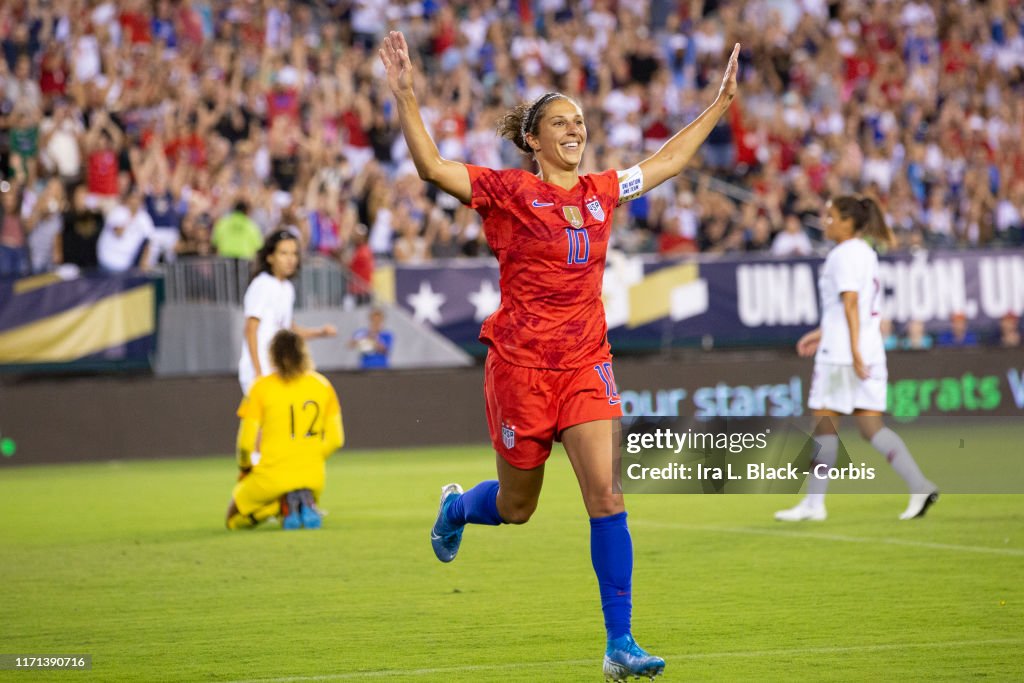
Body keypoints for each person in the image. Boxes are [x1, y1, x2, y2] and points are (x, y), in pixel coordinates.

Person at [380, 30, 740, 682]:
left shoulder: (603, 190)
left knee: (606, 494)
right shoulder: (511, 192)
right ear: (534, 140)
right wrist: (407, 96)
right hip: (519, 365)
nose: (574, 129)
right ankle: (459, 507)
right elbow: (433, 168)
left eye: (579, 121)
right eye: (560, 123)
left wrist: (717, 107)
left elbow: (666, 162)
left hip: (585, 361)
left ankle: (620, 643)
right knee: (518, 506)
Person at [775, 196, 938, 523]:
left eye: (832, 216)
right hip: (868, 348)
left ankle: (813, 504)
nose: (826, 222)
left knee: (823, 424)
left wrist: (851, 351)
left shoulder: (842, 255)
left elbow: (850, 304)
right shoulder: (866, 253)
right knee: (871, 427)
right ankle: (919, 485)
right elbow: (854, 309)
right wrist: (822, 332)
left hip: (842, 355)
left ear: (849, 222)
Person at [225, 329, 344, 530]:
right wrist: (310, 457)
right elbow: (336, 440)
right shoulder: (323, 385)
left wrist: (246, 468)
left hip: (272, 477)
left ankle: (279, 506)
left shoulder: (260, 388)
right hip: (313, 477)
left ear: (272, 355)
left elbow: (246, 444)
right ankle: (304, 501)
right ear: (304, 354)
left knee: (232, 521)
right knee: (300, 485)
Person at [239, 229, 337, 395]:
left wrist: (320, 332)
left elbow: (290, 330)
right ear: (270, 257)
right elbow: (250, 330)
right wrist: (258, 373)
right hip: (261, 372)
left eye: (294, 253)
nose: (290, 259)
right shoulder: (262, 284)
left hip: (278, 371)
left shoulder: (287, 288)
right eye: (283, 253)